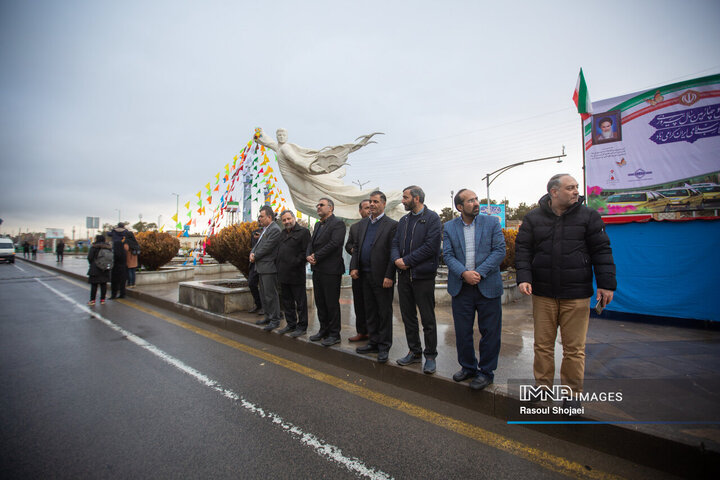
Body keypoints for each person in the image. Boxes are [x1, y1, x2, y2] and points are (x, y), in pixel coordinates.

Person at [515, 174, 616, 407]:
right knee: (542, 345)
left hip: (577, 294)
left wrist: (606, 283)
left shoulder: (589, 216)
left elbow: (602, 251)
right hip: (543, 294)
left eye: (577, 187)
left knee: (574, 349)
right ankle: (542, 389)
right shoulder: (533, 218)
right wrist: (524, 278)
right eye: (570, 188)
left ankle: (572, 395)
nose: (576, 192)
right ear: (554, 192)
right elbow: (523, 251)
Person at [254, 128, 406, 220]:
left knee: (321, 194)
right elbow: (271, 144)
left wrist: (311, 168)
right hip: (297, 178)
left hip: (305, 175)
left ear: (286, 136)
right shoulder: (280, 147)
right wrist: (261, 137)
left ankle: (390, 200)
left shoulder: (286, 148)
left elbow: (296, 160)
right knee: (314, 196)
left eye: (283, 134)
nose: (281, 137)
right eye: (278, 134)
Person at [443, 189, 506, 391]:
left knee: (490, 332)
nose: (476, 203)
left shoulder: (491, 223)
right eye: (471, 201)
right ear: (460, 207)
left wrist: (478, 273)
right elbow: (448, 255)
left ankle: (486, 372)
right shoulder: (449, 227)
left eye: (476, 199)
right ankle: (468, 367)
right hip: (461, 288)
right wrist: (464, 273)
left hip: (487, 285)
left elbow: (499, 251)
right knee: (462, 332)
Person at [390, 185, 442, 374]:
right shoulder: (403, 221)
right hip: (404, 277)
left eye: (405, 197)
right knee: (408, 317)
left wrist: (407, 261)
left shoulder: (432, 218)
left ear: (417, 198)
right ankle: (415, 351)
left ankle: (430, 355)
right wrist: (397, 259)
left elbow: (431, 247)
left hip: (423, 277)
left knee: (427, 318)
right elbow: (395, 243)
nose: (402, 200)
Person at [350, 191, 398, 363]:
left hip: (382, 277)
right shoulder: (363, 225)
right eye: (370, 201)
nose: (372, 204)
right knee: (369, 311)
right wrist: (354, 266)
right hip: (364, 275)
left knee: (383, 313)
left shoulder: (392, 225)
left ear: (384, 204)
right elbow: (356, 246)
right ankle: (373, 342)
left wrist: (389, 275)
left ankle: (384, 347)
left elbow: (394, 252)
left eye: (376, 201)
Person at [306, 197, 347, 346]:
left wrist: (316, 255)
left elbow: (335, 244)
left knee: (331, 303)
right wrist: (309, 255)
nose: (318, 207)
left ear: (331, 208)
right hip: (317, 269)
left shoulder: (338, 224)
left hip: (331, 270)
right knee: (320, 302)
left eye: (321, 205)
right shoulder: (317, 225)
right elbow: (311, 243)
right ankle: (324, 330)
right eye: (317, 205)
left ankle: (335, 334)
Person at [277, 210, 311, 337]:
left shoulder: (303, 232)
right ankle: (291, 324)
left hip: (296, 274)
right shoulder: (282, 234)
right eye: (284, 220)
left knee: (300, 302)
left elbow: (306, 252)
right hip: (283, 273)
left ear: (294, 218)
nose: (287, 222)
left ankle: (302, 327)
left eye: (288, 219)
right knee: (287, 302)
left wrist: (295, 262)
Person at [250, 205, 283, 331]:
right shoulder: (265, 229)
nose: (260, 219)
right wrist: (252, 253)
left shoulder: (274, 229)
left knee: (271, 295)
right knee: (264, 294)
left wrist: (255, 256)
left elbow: (267, 247)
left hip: (269, 267)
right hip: (262, 267)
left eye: (262, 216)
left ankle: (275, 320)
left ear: (269, 217)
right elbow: (258, 245)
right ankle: (268, 316)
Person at [345, 199, 371, 342]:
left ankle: (374, 333)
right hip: (358, 271)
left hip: (373, 271)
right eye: (366, 208)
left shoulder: (379, 225)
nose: (369, 210)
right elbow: (348, 245)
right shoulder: (355, 228)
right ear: (360, 211)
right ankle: (362, 332)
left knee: (372, 304)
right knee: (359, 303)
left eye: (370, 207)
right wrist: (354, 250)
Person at [87, 234, 111, 305]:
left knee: (94, 285)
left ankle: (92, 300)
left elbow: (90, 258)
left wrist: (93, 264)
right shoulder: (108, 248)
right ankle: (102, 300)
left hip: (95, 268)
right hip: (105, 268)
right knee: (103, 284)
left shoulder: (94, 247)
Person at [247, 227, 264, 315]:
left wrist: (262, 236)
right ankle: (258, 304)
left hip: (264, 263)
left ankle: (265, 308)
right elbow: (253, 247)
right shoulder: (254, 232)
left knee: (264, 287)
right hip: (254, 263)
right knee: (251, 283)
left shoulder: (272, 230)